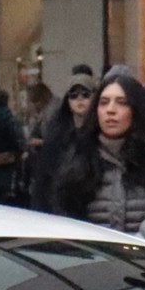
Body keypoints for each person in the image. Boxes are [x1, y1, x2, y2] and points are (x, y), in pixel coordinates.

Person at [47, 70, 145, 248]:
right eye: (103, 102)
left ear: (137, 109)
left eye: (122, 103)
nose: (110, 110)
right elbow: (62, 224)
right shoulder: (78, 160)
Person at [31, 78, 94, 213]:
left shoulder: (99, 136)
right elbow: (43, 182)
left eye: (85, 94)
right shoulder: (57, 135)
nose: (79, 99)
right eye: (74, 94)